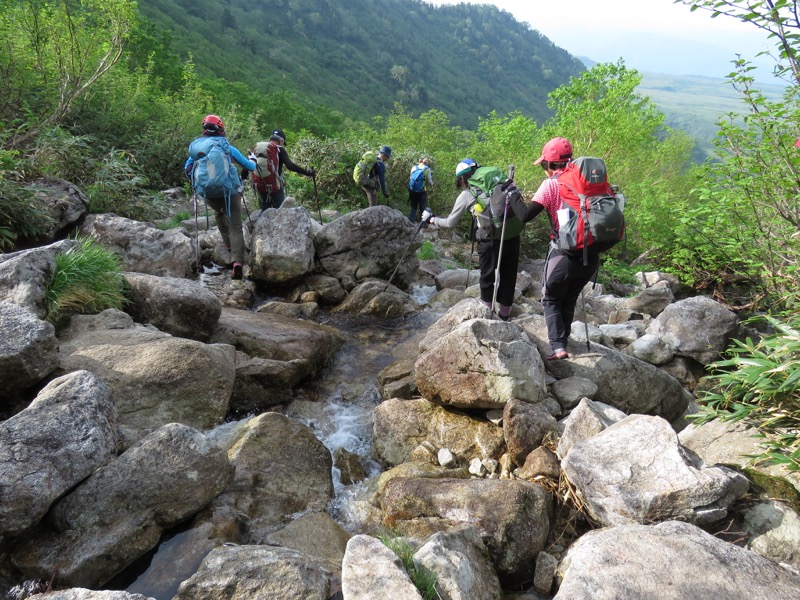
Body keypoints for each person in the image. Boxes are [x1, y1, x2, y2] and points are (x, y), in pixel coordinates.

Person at [505, 136, 599, 360]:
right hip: (591, 253)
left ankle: (558, 348)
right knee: (569, 297)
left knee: (550, 298)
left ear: (549, 164)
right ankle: (563, 342)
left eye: (544, 165)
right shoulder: (588, 181)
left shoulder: (551, 184)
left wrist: (512, 193)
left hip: (564, 253)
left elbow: (526, 216)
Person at [421, 158, 521, 321]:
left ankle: (486, 314)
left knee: (487, 276)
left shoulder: (467, 194)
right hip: (512, 235)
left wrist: (432, 220)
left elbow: (450, 222)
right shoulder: (501, 184)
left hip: (489, 239)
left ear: (462, 178)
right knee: (509, 276)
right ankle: (505, 315)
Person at [184, 114, 255, 280]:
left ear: (204, 130)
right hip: (231, 192)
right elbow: (250, 166)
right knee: (236, 226)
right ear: (221, 129)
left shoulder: (197, 149)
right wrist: (252, 159)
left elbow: (187, 169)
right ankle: (237, 262)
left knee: (219, 213)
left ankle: (227, 243)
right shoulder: (227, 148)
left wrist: (199, 184)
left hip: (209, 194)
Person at [254, 129, 315, 211]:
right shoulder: (280, 150)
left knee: (264, 209)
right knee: (280, 211)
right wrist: (306, 172)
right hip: (275, 185)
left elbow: (250, 163)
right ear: (281, 140)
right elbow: (290, 166)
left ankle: (260, 223)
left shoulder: (260, 149)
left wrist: (243, 177)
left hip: (260, 184)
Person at [408, 157, 434, 222]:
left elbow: (411, 177)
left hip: (412, 190)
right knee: (422, 207)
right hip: (421, 191)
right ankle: (422, 224)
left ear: (420, 161)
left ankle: (411, 221)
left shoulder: (414, 167)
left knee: (414, 207)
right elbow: (430, 181)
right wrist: (432, 183)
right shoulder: (427, 169)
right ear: (426, 162)